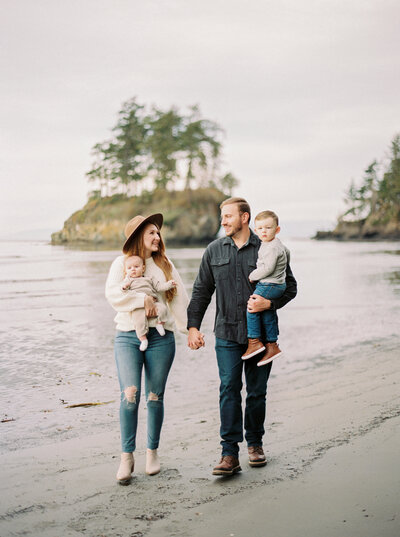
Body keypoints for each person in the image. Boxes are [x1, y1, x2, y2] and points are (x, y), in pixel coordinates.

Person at [187, 197, 297, 476]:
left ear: (245, 218)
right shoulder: (213, 250)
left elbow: (290, 287)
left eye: (227, 216)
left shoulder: (268, 247)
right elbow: (201, 291)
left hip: (259, 336)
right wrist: (192, 327)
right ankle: (229, 454)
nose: (222, 221)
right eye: (221, 216)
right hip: (225, 333)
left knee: (257, 392)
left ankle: (255, 445)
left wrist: (269, 304)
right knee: (228, 389)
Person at [105, 213, 188, 485]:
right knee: (130, 396)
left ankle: (152, 452)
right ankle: (126, 457)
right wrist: (143, 299)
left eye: (158, 233)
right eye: (151, 232)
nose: (157, 237)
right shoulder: (121, 263)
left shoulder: (164, 264)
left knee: (155, 397)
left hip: (161, 338)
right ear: (138, 236)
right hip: (128, 336)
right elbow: (114, 295)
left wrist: (191, 330)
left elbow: (179, 299)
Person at [242, 210, 290, 366]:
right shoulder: (275, 244)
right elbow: (287, 253)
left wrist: (253, 275)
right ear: (255, 230)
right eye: (260, 228)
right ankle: (272, 344)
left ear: (277, 230)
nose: (264, 231)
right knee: (266, 311)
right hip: (277, 283)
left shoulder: (272, 247)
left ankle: (254, 341)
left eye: (268, 228)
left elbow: (268, 268)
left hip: (270, 283)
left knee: (252, 306)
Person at [121, 254, 177, 351]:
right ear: (126, 271)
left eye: (136, 267)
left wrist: (169, 284)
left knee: (163, 309)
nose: (133, 269)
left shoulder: (149, 278)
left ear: (143, 268)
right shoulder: (128, 280)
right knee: (138, 321)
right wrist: (124, 287)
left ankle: (160, 323)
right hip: (138, 306)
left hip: (153, 302)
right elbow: (124, 292)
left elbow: (160, 287)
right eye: (129, 268)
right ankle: (143, 339)